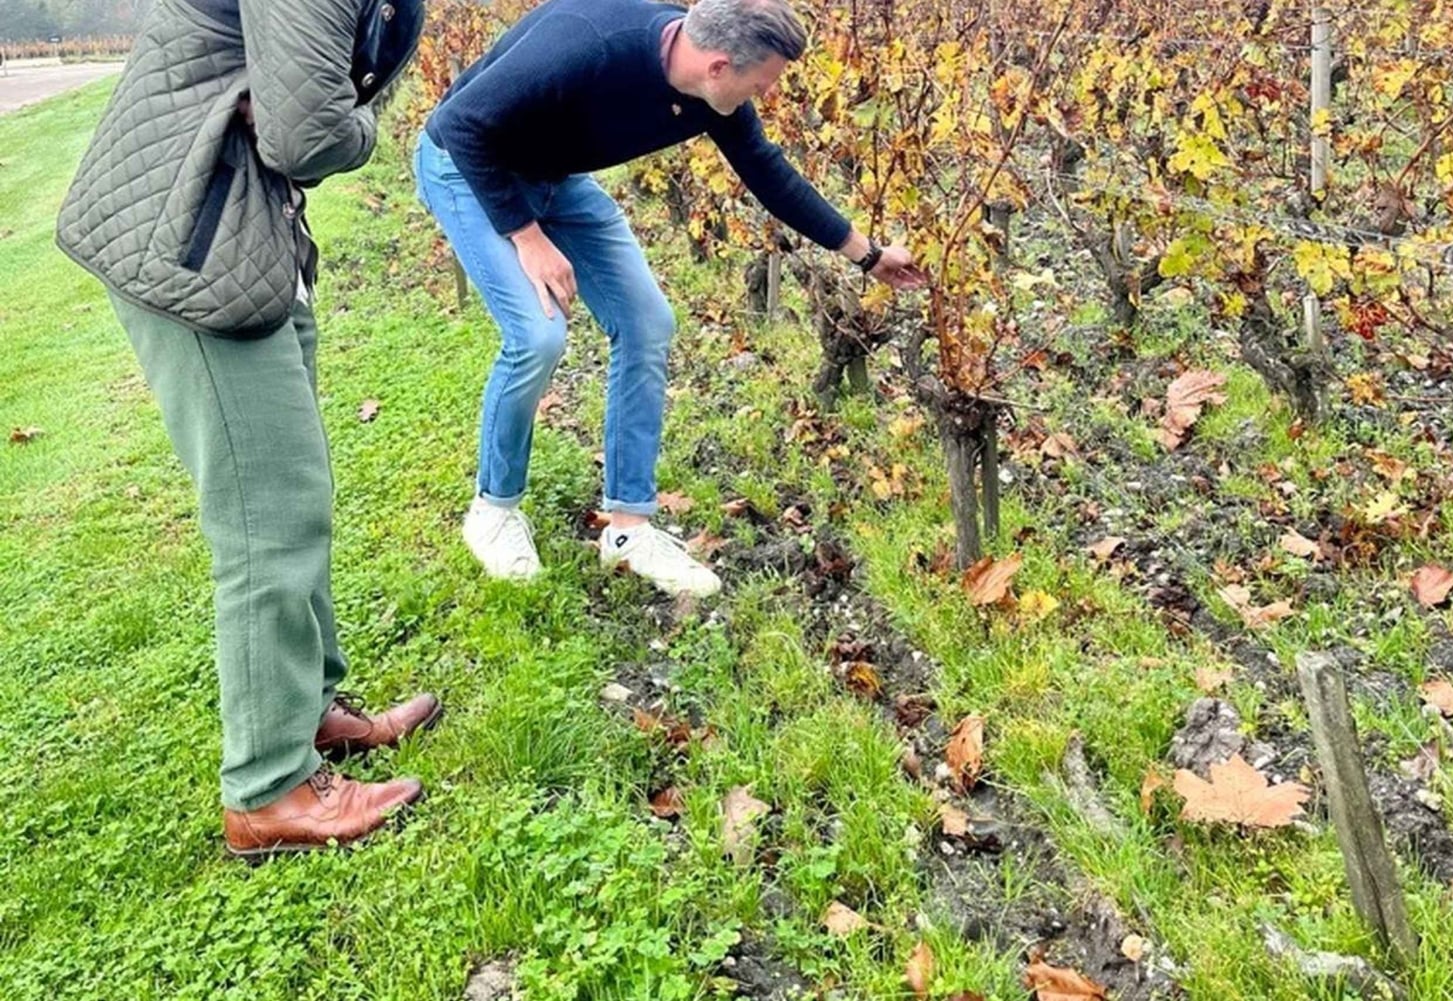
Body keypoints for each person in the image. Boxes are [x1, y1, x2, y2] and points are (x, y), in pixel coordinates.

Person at [55, 0, 439, 861]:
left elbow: (299, 107)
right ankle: (268, 786)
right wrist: (357, 126)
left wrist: (319, 106)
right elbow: (307, 132)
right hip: (193, 236)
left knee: (297, 490)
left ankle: (309, 711)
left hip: (240, 231)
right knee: (268, 517)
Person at [416, 0, 925, 598]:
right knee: (537, 335)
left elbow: (766, 170)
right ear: (718, 66)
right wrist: (527, 238)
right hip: (467, 167)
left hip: (553, 178)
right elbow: (462, 123)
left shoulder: (712, 89)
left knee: (648, 323)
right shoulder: (588, 40)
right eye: (763, 81)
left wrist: (866, 254)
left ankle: (628, 529)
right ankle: (494, 511)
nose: (767, 92)